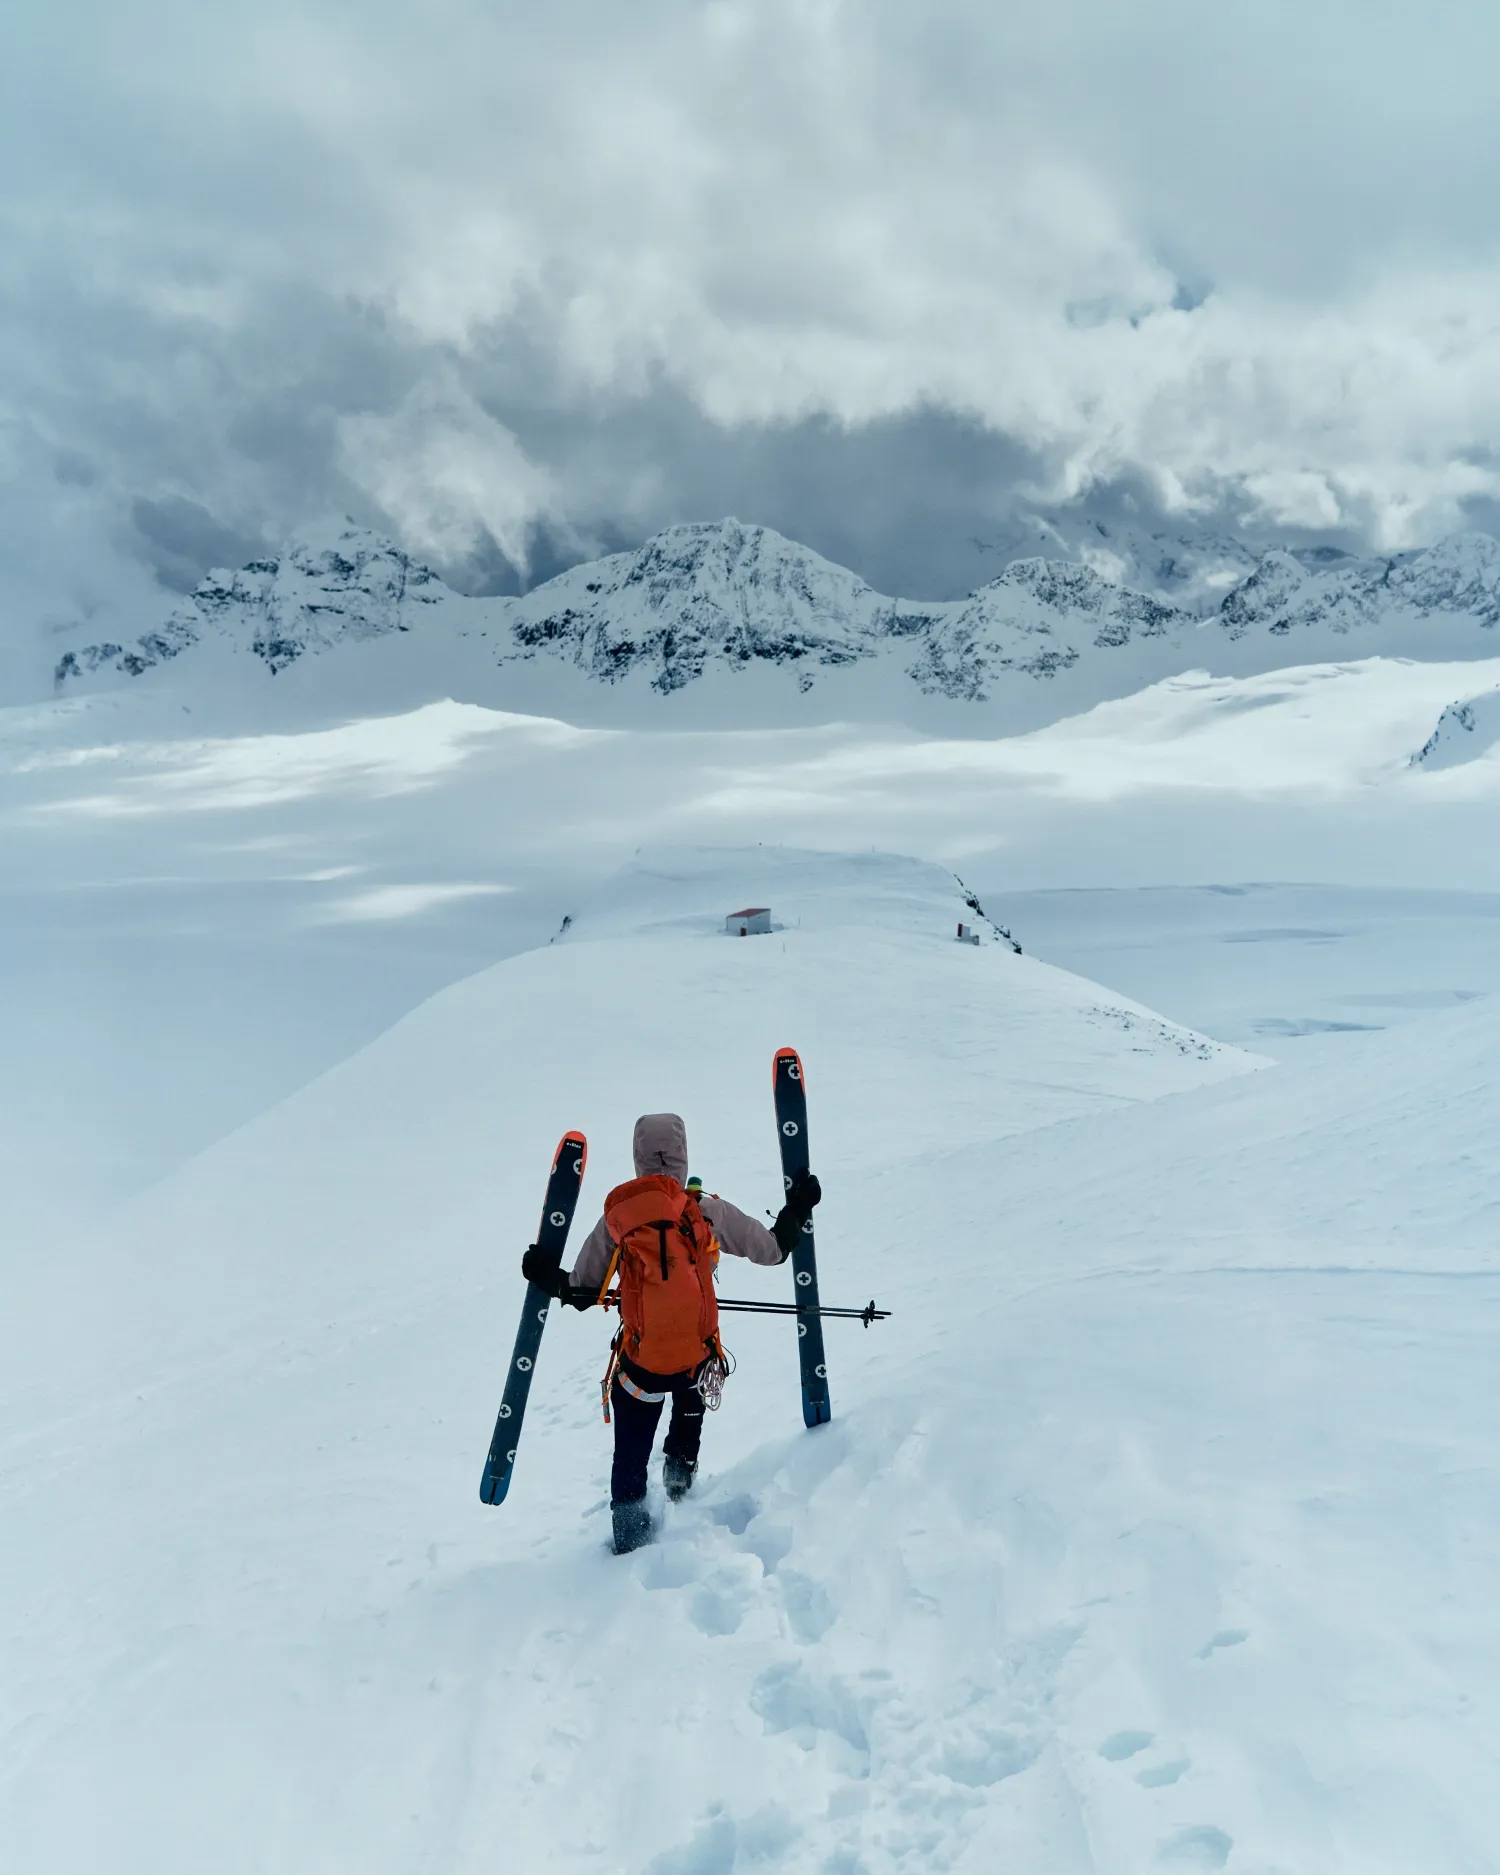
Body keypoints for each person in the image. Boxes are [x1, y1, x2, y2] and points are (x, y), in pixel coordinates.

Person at [522, 1112, 821, 1554]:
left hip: (642, 1367)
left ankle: (629, 1528)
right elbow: (774, 1249)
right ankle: (681, 1478)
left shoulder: (618, 1219)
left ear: (638, 1161)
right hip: (697, 1361)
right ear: (682, 1158)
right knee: (694, 1380)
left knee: (631, 1443)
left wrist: (546, 1275)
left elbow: (582, 1291)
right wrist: (799, 1209)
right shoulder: (704, 1210)